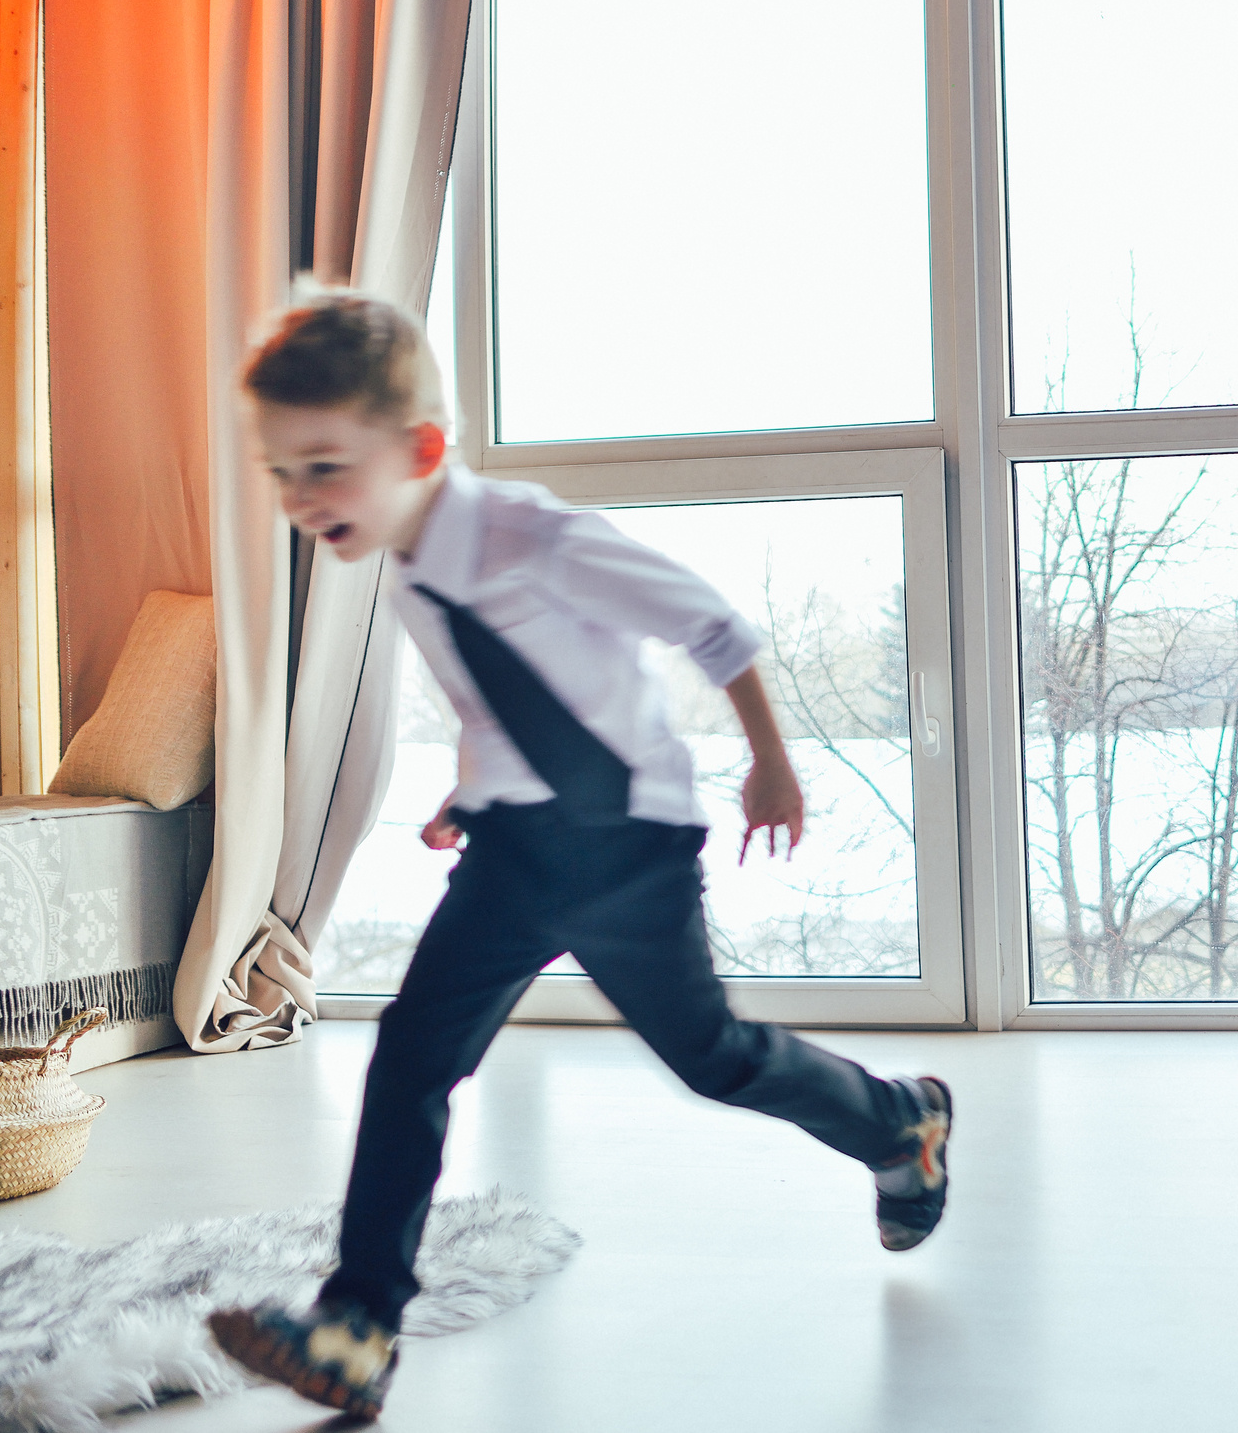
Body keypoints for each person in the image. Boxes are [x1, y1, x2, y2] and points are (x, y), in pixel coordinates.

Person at [205, 297, 954, 1420]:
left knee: (712, 1057)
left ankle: (897, 1119)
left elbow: (713, 628)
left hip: (625, 849)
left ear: (417, 450)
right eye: (281, 474)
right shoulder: (403, 559)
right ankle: (358, 1322)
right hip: (517, 847)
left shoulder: (530, 535)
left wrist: (769, 762)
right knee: (411, 1058)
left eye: (323, 466)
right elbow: (508, 693)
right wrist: (476, 791)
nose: (302, 498)